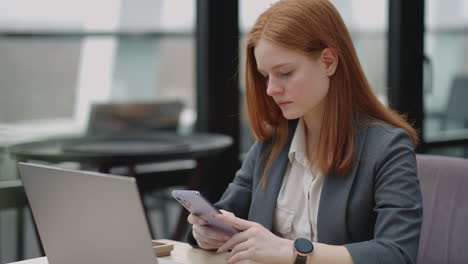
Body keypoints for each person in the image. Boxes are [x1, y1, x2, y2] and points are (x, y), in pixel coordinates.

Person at [187, 0, 423, 263]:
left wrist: (292, 252)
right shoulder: (272, 144)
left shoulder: (387, 148)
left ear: (328, 61)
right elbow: (225, 212)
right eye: (266, 76)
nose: (270, 89)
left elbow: (397, 254)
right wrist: (205, 232)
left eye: (285, 73)